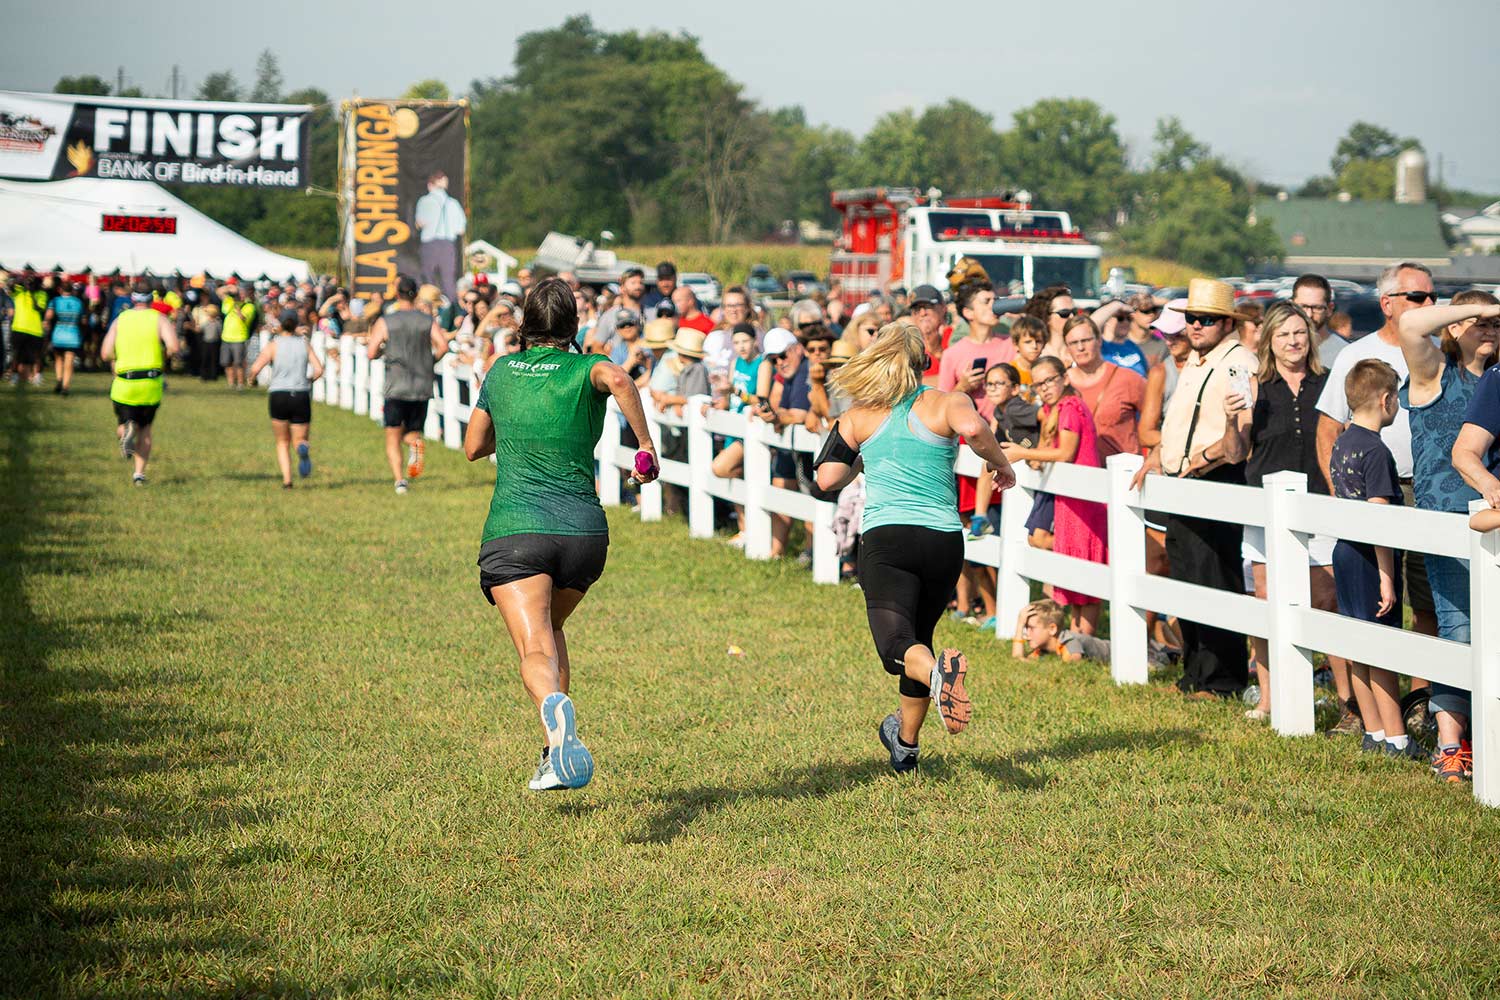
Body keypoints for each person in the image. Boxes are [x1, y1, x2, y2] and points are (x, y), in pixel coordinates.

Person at [462, 277, 659, 792]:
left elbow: (472, 447)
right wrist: (645, 447)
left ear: (525, 325)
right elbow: (619, 378)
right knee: (550, 630)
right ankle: (555, 752)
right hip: (584, 535)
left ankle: (556, 716)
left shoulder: (502, 370)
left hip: (518, 530)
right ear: (574, 326)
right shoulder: (586, 367)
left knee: (534, 650)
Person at [814, 319, 1017, 772]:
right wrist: (1003, 467)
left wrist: (866, 455)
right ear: (926, 362)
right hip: (944, 541)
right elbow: (977, 431)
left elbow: (826, 478)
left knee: (896, 645)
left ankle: (940, 677)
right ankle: (905, 745)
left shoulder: (858, 416)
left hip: (889, 539)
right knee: (918, 642)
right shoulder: (949, 401)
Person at [1315, 261, 1438, 734]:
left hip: (1424, 490)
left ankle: (1420, 703)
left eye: (1431, 298)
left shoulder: (1436, 352)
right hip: (1374, 494)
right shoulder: (1357, 356)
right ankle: (1381, 722)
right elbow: (1329, 427)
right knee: (1374, 613)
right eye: (1418, 298)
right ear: (1387, 304)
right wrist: (1346, 503)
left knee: (1426, 602)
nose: (1429, 306)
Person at [1133, 279, 1257, 699]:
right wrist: (1159, 456)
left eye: (1205, 320)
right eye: (1191, 319)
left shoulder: (1239, 362)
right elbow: (1178, 425)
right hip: (1181, 482)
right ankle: (1194, 672)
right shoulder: (1197, 361)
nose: (1196, 326)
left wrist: (1201, 460)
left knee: (1215, 577)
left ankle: (1222, 678)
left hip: (1214, 479)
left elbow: (1241, 437)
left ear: (1226, 322)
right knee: (1187, 576)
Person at [1218, 302, 1341, 722]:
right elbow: (1236, 454)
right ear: (1269, 340)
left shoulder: (1328, 383)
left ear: (1311, 337)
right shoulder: (1256, 386)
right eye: (1284, 334)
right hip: (1264, 506)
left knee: (1326, 601)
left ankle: (1345, 702)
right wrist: (1232, 421)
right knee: (1266, 601)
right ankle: (1270, 698)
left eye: (1300, 333)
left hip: (1319, 502)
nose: (1293, 341)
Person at [1397, 290, 1499, 779]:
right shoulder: (1435, 374)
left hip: (1493, 518)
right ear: (1456, 327)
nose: (1491, 330)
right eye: (1481, 323)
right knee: (1457, 628)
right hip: (1446, 524)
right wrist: (1480, 308)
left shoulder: (1497, 380)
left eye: (1497, 325)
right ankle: (1451, 745)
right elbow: (1411, 325)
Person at [1329, 359, 1423, 761]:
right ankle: (1398, 739)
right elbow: (1379, 520)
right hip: (1371, 558)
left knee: (1359, 646)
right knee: (1381, 647)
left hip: (1345, 552)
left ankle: (1374, 731)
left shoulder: (1343, 441)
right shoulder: (1376, 451)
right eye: (1396, 398)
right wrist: (1387, 575)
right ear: (1385, 400)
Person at [1002, 356, 1109, 634]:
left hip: (1084, 498)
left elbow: (1066, 453)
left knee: (1084, 560)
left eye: (1049, 380)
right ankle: (1076, 637)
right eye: (1038, 384)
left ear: (1064, 377)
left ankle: (1084, 639)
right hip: (1069, 496)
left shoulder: (1071, 406)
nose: (1044, 388)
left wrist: (1020, 452)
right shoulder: (1055, 408)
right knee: (1073, 559)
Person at [366, 276, 449, 495]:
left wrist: (384, 351)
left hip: (396, 384)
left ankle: (400, 480)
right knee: (412, 431)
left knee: (392, 435)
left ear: (396, 293)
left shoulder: (386, 320)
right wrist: (430, 362)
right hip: (422, 385)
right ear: (416, 293)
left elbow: (371, 351)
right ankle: (414, 443)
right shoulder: (426, 320)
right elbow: (442, 346)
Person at [101, 282, 180, 486]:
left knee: (124, 424)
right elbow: (173, 346)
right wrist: (165, 354)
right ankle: (139, 474)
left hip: (125, 382)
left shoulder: (121, 319)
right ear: (151, 299)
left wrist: (116, 358)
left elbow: (105, 352)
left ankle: (126, 431)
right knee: (146, 429)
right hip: (150, 382)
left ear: (132, 299)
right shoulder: (159, 319)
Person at [248, 315, 325, 489]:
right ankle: (302, 448)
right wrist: (309, 381)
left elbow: (255, 368)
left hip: (278, 394)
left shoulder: (274, 345)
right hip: (300, 394)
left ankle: (287, 481)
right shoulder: (304, 344)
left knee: (282, 441)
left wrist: (251, 380)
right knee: (299, 439)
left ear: (280, 326)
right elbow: (319, 369)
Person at [1063, 315, 1145, 461]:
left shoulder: (1127, 378)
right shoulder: (1062, 384)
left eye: (1086, 340)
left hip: (1123, 472)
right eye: (1073, 343)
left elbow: (1154, 422)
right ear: (1067, 348)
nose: (1080, 347)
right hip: (1078, 473)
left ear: (1099, 341)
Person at [414, 171, 466, 303]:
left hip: (430, 243)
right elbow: (461, 229)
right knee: (448, 279)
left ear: (430, 185)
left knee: (428, 278)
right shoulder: (453, 203)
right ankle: (452, 308)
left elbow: (420, 223)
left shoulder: (425, 201)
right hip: (448, 244)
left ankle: (428, 305)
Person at [1012, 600, 1111, 663]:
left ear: (1052, 629)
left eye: (1031, 628)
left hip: (1118, 653)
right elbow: (1018, 659)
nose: (1027, 635)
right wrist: (1019, 625)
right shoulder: (1043, 647)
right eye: (1025, 628)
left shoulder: (1069, 641)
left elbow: (1074, 665)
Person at [587, 267, 646, 356]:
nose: (638, 286)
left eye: (641, 283)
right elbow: (596, 347)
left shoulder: (651, 312)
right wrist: (615, 365)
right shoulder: (610, 315)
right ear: (622, 288)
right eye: (633, 283)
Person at [1291, 274, 1346, 369]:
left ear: (1329, 309)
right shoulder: (1276, 348)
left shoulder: (1344, 354)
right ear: (1291, 305)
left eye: (1317, 308)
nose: (1309, 314)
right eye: (1303, 307)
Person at [45, 282, 85, 395]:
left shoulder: (55, 301)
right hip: (73, 334)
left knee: (58, 359)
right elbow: (83, 320)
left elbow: (49, 316)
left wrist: (47, 323)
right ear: (72, 290)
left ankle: (59, 379)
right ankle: (65, 387)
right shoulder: (78, 302)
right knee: (69, 361)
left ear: (60, 290)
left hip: (58, 334)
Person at [8, 276, 47, 386]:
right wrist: (19, 280)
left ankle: (37, 377)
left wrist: (32, 293)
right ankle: (14, 376)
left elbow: (38, 308)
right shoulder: (19, 291)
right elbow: (10, 287)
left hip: (35, 330)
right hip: (19, 328)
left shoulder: (41, 294)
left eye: (32, 283)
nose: (30, 285)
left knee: (37, 356)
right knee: (16, 354)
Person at [219, 286, 255, 390]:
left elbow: (243, 318)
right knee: (227, 362)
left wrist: (237, 308)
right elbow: (220, 293)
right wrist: (229, 288)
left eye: (241, 294)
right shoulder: (229, 302)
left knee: (239, 363)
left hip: (239, 338)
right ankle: (231, 383)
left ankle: (240, 384)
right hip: (226, 337)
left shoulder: (249, 306)